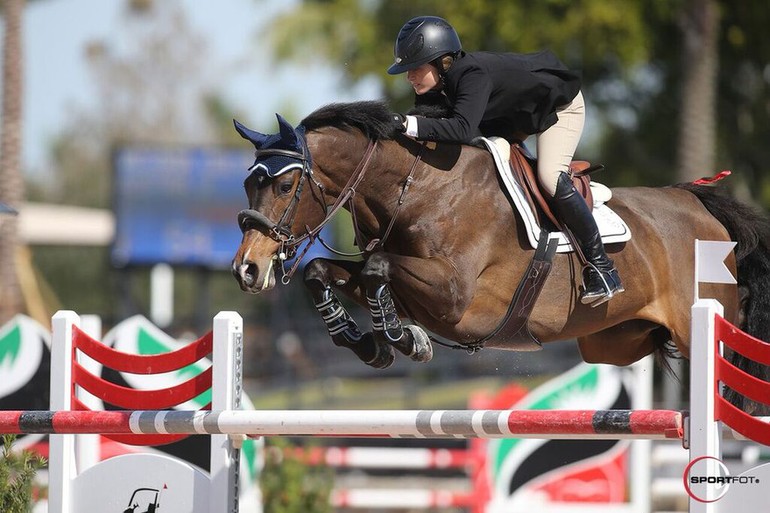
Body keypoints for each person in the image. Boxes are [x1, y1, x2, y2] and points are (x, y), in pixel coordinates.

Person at [387, 15, 623, 306]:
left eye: (415, 69)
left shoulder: (471, 74)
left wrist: (405, 123)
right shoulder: (435, 87)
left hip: (558, 109)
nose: (409, 76)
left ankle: (604, 269)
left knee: (549, 177)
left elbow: (459, 128)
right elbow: (429, 125)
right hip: (509, 118)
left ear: (440, 61)